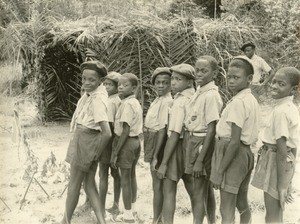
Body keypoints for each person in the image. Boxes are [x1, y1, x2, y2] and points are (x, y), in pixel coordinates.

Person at [210, 56, 259, 224]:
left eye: (236, 77)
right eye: (229, 77)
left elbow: (234, 140)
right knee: (241, 201)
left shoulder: (239, 102)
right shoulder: (250, 99)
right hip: (245, 154)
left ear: (249, 79)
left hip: (234, 154)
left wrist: (218, 172)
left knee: (226, 206)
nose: (231, 81)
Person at [62, 60, 112, 224]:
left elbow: (107, 133)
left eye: (91, 80)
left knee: (73, 185)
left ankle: (65, 220)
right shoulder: (90, 95)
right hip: (85, 140)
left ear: (100, 81)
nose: (86, 83)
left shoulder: (97, 100)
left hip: (87, 142)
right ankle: (101, 220)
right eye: (84, 79)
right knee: (89, 184)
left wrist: (95, 153)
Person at [251, 67, 300, 223]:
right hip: (280, 161)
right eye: (273, 82)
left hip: (276, 161)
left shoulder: (281, 112)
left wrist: (282, 184)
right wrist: (289, 174)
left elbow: (282, 148)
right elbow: (294, 147)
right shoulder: (287, 107)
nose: (274, 86)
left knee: (272, 215)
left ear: (293, 89)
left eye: (281, 84)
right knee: (275, 212)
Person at [185, 56, 223, 224]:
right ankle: (212, 221)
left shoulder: (211, 96)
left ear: (214, 73)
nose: (199, 74)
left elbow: (212, 128)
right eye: (197, 70)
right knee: (205, 188)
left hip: (202, 143)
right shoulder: (199, 92)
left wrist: (200, 160)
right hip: (193, 141)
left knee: (198, 191)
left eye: (204, 71)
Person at [156, 63, 196, 224]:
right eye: (172, 79)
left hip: (177, 146)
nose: (173, 83)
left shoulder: (180, 101)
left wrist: (164, 162)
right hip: (190, 146)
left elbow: (174, 133)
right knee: (193, 187)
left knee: (169, 188)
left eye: (178, 79)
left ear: (189, 82)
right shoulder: (194, 96)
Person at [110, 73, 143, 223]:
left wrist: (116, 153)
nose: (121, 87)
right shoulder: (134, 102)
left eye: (125, 85)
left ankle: (128, 215)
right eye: (119, 85)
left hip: (126, 143)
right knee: (131, 176)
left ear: (134, 88)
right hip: (135, 142)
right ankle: (133, 209)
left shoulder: (128, 104)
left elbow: (125, 130)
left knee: (125, 179)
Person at [144, 67, 173, 224]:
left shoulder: (167, 101)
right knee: (156, 183)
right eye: (158, 82)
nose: (161, 86)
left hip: (159, 143)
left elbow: (162, 129)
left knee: (158, 184)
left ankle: (157, 219)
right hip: (151, 138)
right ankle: (158, 218)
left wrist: (156, 156)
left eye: (165, 83)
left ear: (170, 84)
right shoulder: (157, 100)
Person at [99, 72, 122, 218]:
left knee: (105, 173)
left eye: (110, 84)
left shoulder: (113, 101)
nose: (107, 87)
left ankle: (105, 205)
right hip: (114, 138)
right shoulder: (114, 99)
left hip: (109, 139)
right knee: (114, 174)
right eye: (105, 84)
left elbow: (110, 124)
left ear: (117, 86)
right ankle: (114, 203)